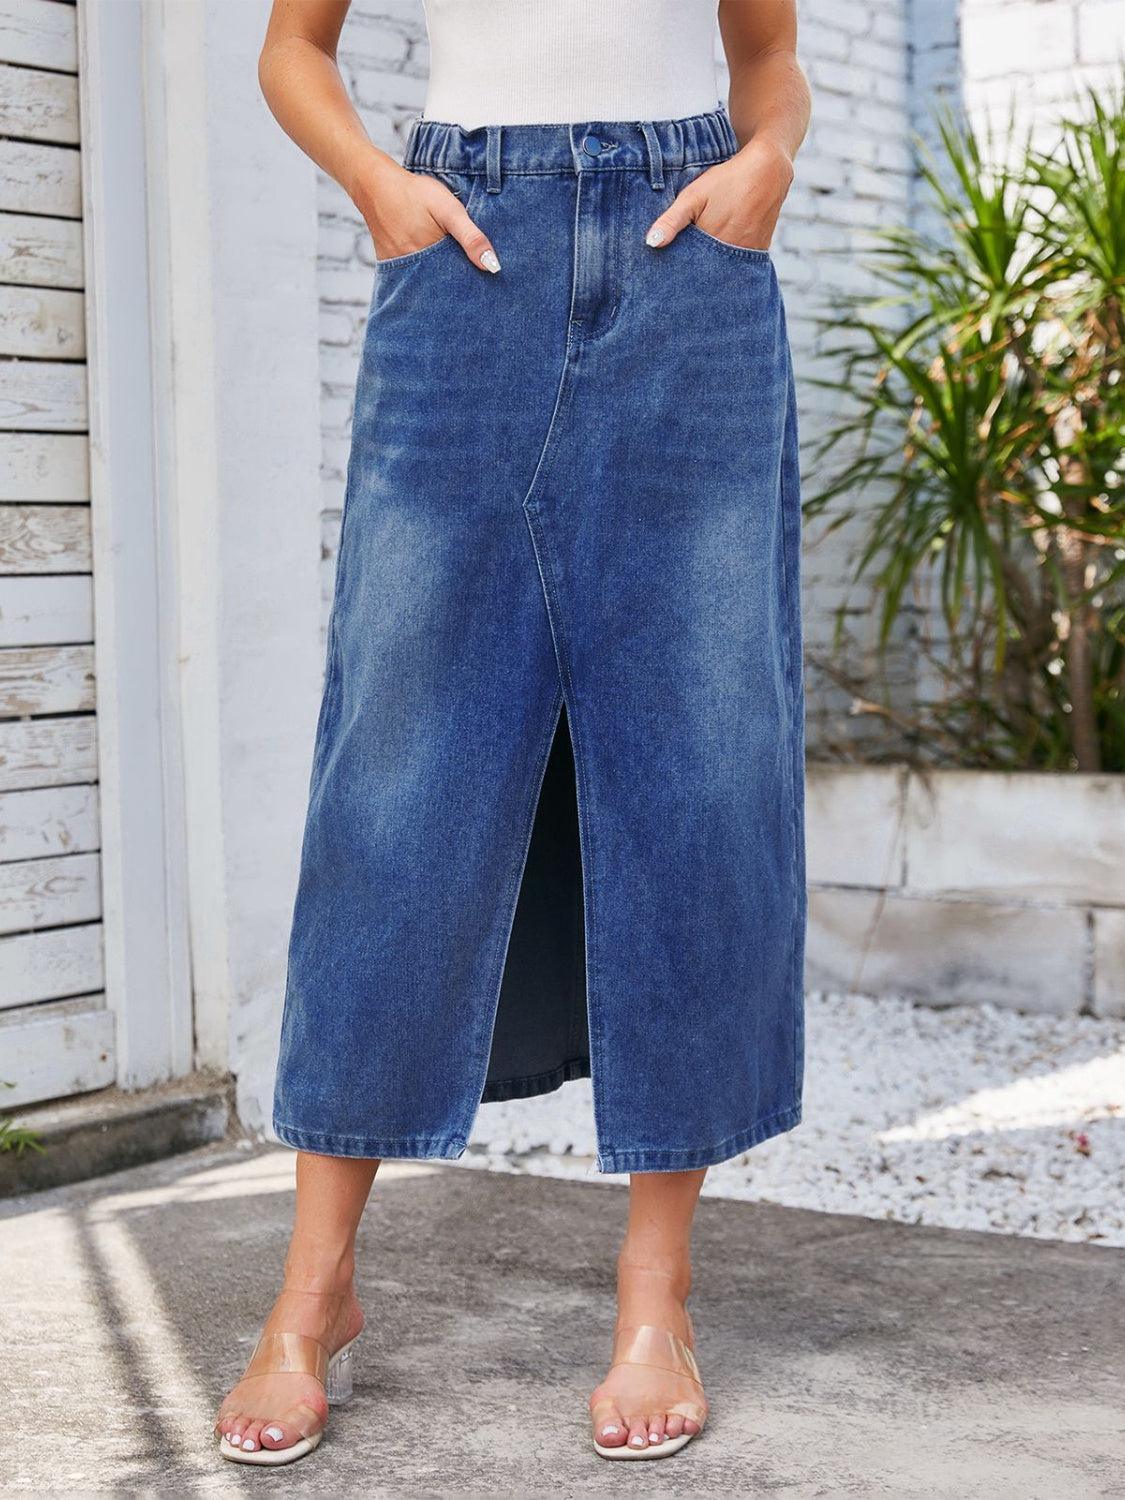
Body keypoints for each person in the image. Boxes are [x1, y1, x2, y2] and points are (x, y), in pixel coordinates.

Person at [216, 0, 810, 1467]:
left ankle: (652, 1300)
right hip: (463, 252)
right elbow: (292, 48)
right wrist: (374, 184)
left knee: (693, 755)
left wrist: (768, 163)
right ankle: (311, 1295)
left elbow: (764, 58)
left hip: (691, 267)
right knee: (396, 774)